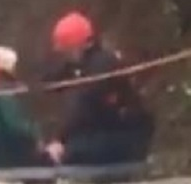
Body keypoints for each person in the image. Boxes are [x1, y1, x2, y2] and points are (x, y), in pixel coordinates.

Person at [42, 11, 155, 167]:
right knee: (70, 148)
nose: (65, 55)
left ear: (80, 45)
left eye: (67, 50)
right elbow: (51, 82)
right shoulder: (81, 64)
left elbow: (82, 107)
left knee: (71, 152)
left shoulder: (102, 65)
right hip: (103, 131)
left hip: (126, 137)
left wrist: (60, 140)